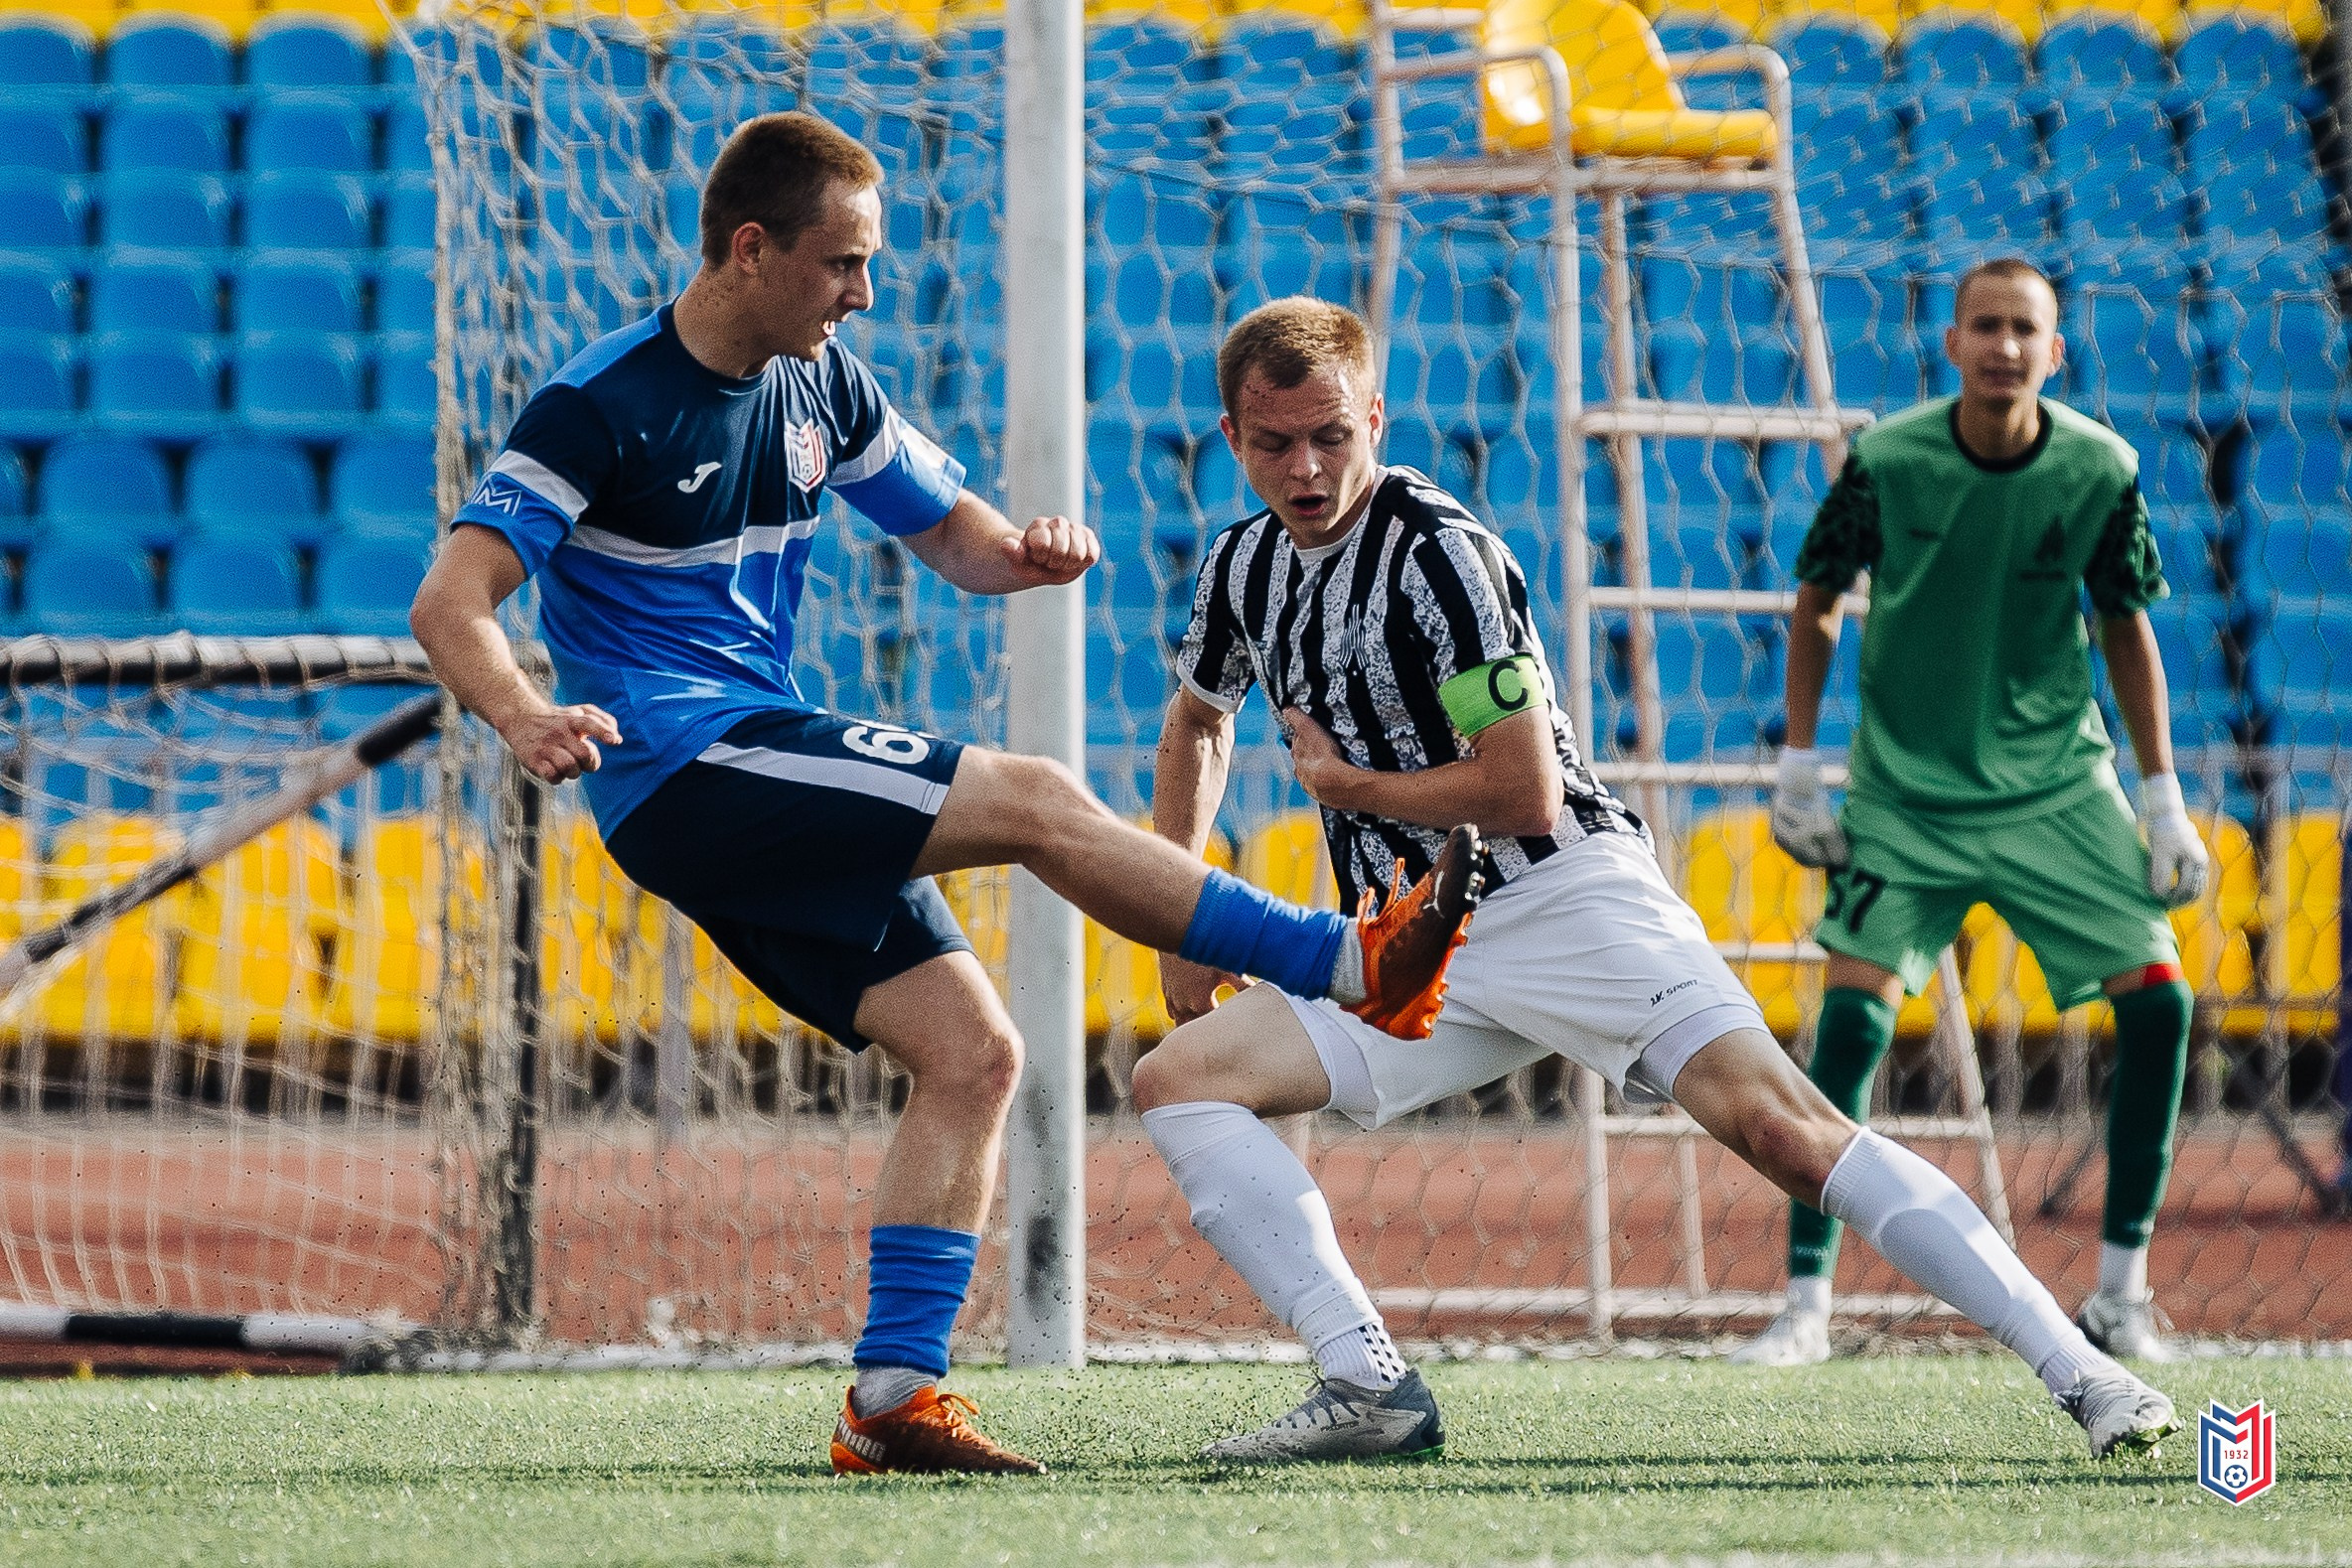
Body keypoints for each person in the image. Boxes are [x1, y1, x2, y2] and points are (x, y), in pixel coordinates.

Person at [406, 114, 1479, 1478]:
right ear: (752, 249)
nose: (865, 291)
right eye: (844, 262)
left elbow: (956, 542)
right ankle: (1350, 959)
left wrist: (1031, 552)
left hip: (754, 752)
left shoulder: (827, 385)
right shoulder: (597, 403)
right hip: (685, 760)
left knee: (974, 1053)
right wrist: (526, 711)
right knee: (1034, 798)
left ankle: (893, 1395)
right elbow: (454, 599)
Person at [1130, 295, 2179, 1464]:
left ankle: (2085, 1372)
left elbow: (1522, 789)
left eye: (1332, 434)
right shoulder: (1241, 565)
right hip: (1407, 945)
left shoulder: (1441, 556)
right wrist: (1181, 909)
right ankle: (1367, 1381)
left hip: (1563, 899)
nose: (1307, 466)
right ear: (1231, 439)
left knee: (1782, 1129)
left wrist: (1355, 789)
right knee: (1182, 1079)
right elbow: (1199, 722)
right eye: (1274, 444)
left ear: (1375, 414)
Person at [1737, 257, 2210, 1369]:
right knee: (1846, 1030)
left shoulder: (2102, 467)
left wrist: (2162, 798)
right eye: (1984, 326)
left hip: (2059, 787)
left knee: (2161, 1006)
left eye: (2024, 330)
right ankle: (1806, 1302)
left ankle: (2120, 1296)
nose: (2003, 345)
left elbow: (2128, 628)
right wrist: (1799, 766)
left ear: (2056, 351)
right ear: (1949, 344)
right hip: (1905, 792)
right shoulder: (1886, 461)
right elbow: (1814, 605)